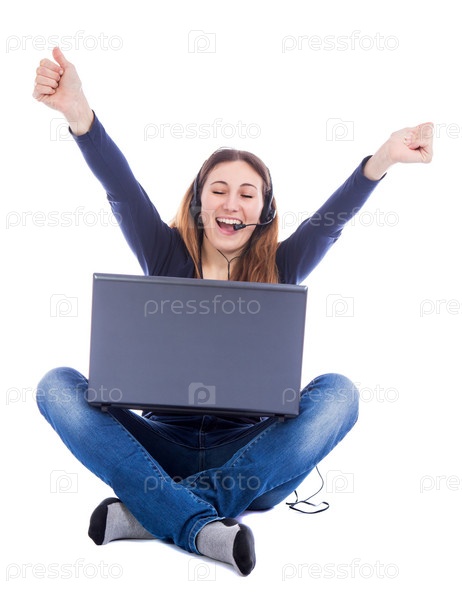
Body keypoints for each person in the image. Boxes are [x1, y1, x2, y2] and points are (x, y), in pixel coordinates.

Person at [33, 47, 433, 577]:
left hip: (252, 458)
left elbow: (333, 221)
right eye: (218, 190)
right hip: (158, 451)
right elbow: (121, 190)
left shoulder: (283, 266)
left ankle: (155, 511)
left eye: (247, 194)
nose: (231, 203)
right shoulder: (165, 253)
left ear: (263, 210)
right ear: (199, 202)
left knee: (341, 393)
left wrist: (383, 158)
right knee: (56, 386)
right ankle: (198, 523)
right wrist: (78, 114)